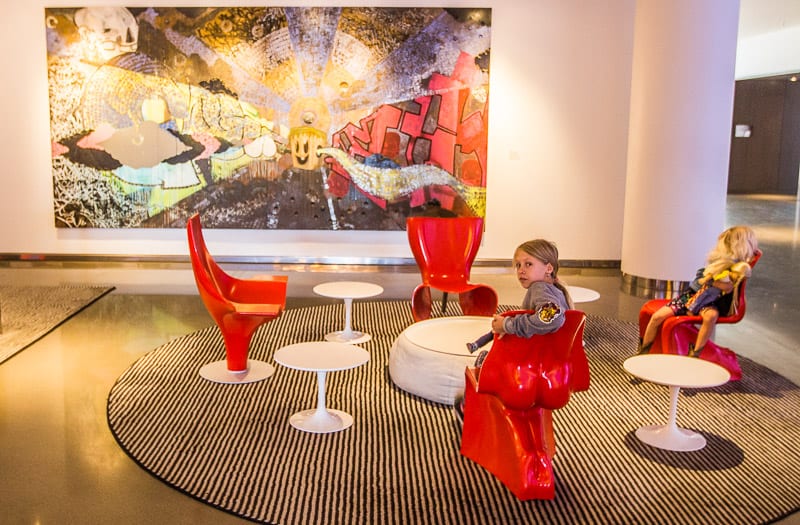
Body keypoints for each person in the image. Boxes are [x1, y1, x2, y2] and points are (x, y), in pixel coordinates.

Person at [455, 239, 574, 425]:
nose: (521, 270)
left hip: (528, 369)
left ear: (548, 268)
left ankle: (468, 409)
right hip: (550, 368)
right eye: (518, 265)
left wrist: (509, 325)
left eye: (528, 264)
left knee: (483, 361)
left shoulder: (539, 288)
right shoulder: (557, 291)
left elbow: (553, 317)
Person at [637, 225, 759, 358]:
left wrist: (715, 282)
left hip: (712, 302)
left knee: (710, 317)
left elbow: (728, 287)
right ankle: (644, 350)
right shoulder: (717, 260)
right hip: (691, 296)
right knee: (657, 317)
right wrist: (712, 282)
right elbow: (700, 282)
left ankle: (694, 353)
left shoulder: (739, 267)